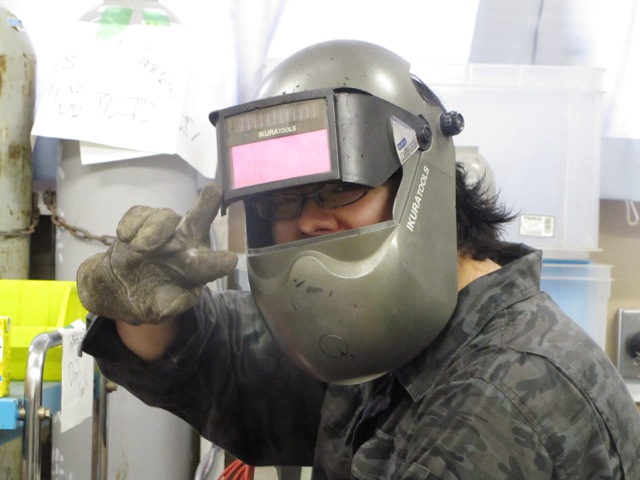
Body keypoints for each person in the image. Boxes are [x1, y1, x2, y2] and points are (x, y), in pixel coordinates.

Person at [78, 40, 640, 479]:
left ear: (424, 183)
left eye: (342, 188)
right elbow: (230, 362)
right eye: (283, 200)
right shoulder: (391, 334)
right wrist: (145, 306)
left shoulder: (497, 400)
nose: (308, 221)